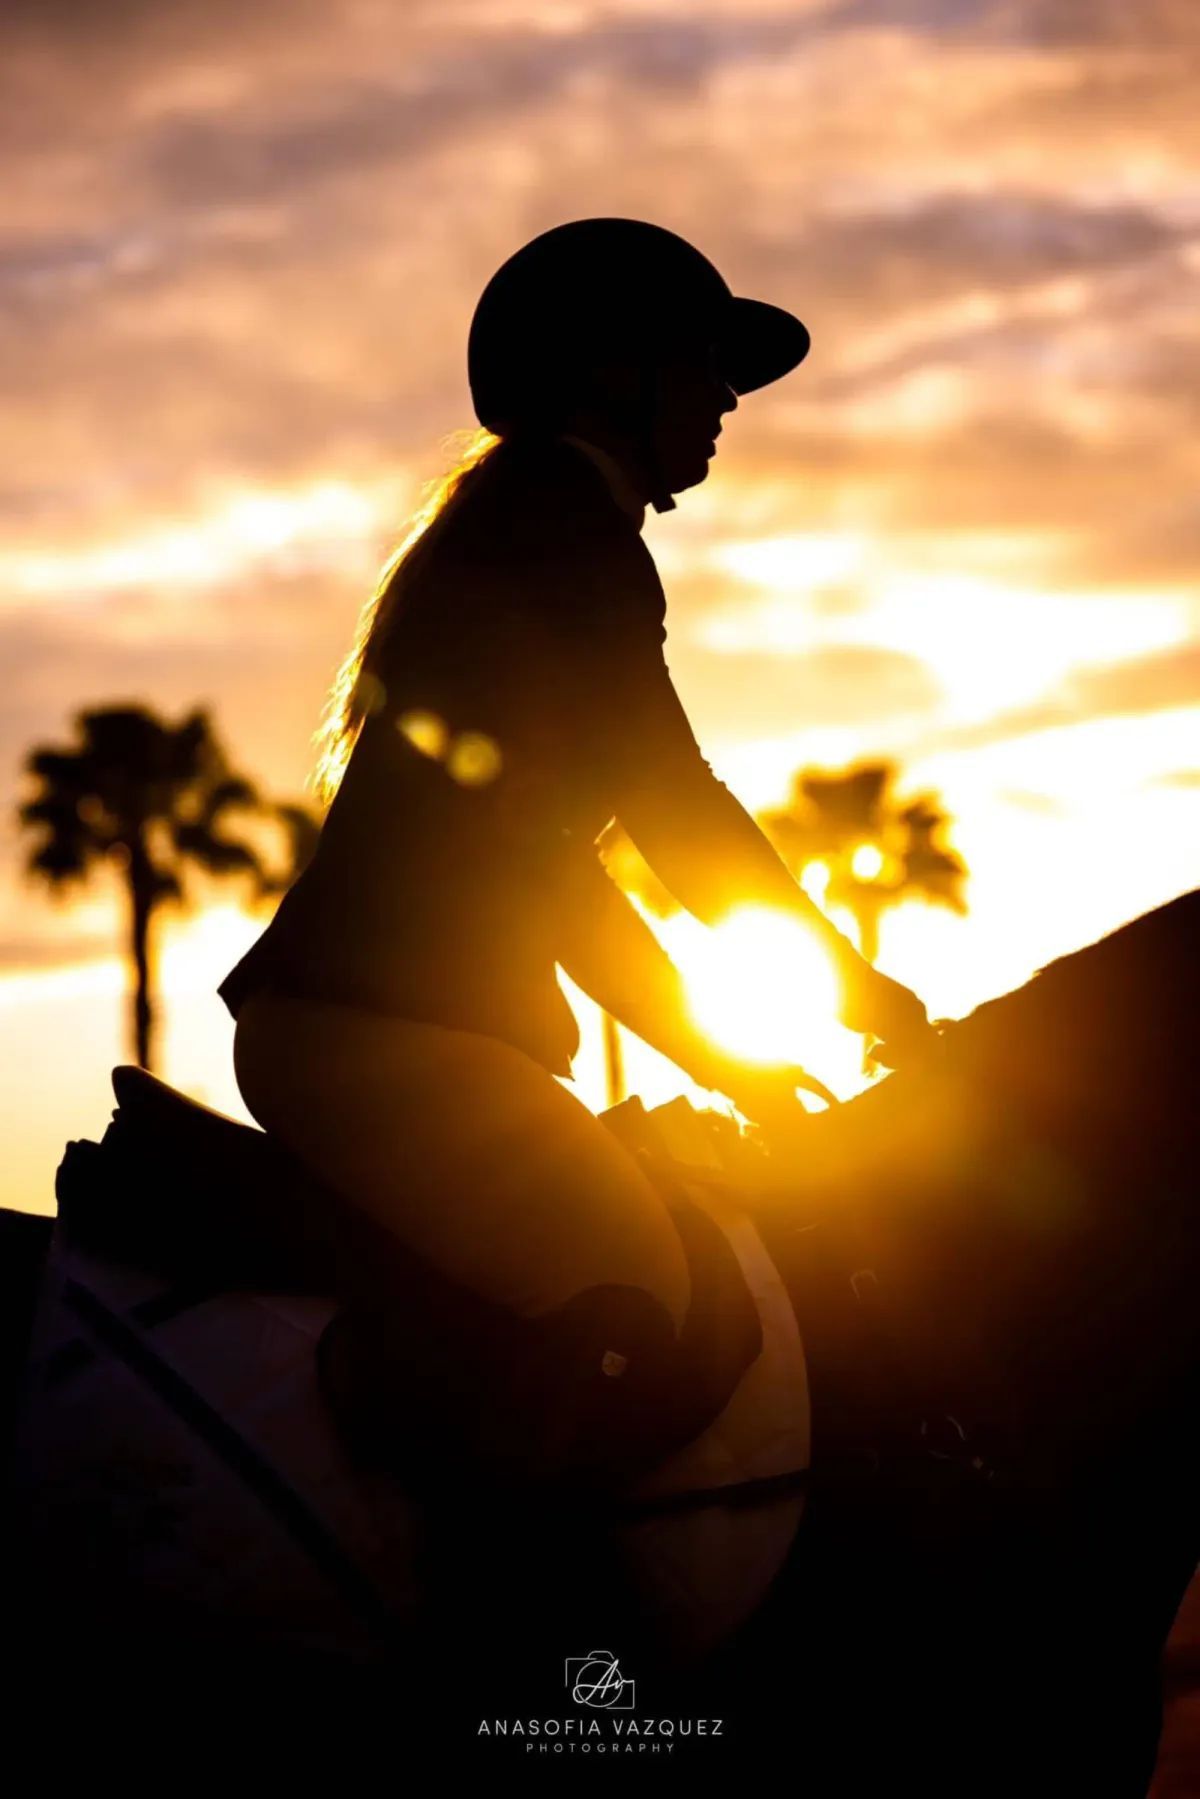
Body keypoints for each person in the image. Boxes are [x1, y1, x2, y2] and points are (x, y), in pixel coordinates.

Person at [217, 217, 932, 1505]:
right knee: (639, 1304)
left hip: (402, 1034)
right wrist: (851, 993)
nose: (726, 397)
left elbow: (563, 886)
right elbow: (675, 802)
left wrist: (739, 1065)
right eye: (702, 362)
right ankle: (534, 1678)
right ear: (611, 372)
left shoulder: (541, 528)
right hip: (383, 1034)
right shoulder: (566, 532)